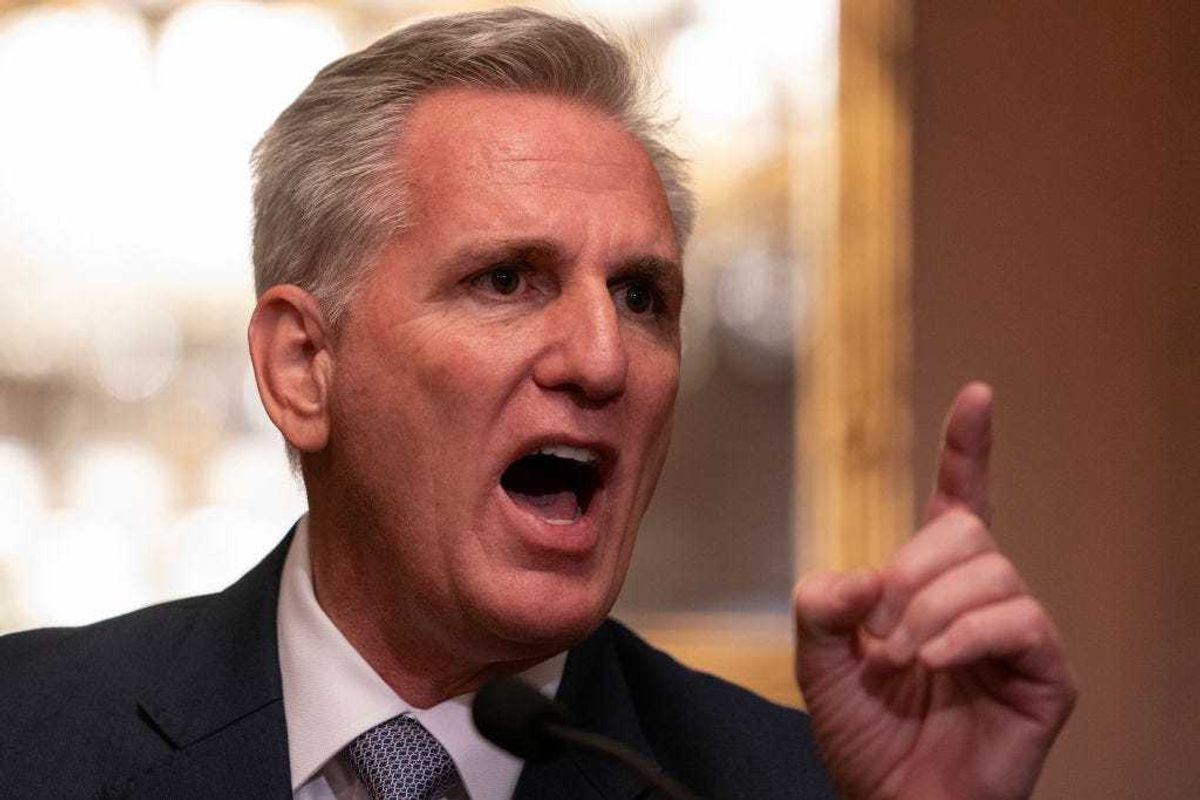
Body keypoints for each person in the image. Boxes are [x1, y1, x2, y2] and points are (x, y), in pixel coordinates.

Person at [0, 8, 1075, 799]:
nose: (603, 360)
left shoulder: (800, 785)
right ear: (301, 367)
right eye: (508, 280)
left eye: (642, 296)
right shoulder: (27, 736)